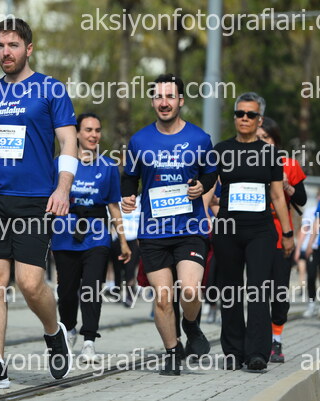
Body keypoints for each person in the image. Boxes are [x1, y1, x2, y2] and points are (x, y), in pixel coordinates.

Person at [0, 18, 78, 389]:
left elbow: (68, 142)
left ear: (29, 48)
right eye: (0, 45)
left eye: (13, 45)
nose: (5, 52)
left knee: (30, 282)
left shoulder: (50, 89)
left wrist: (63, 189)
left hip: (34, 200)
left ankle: (53, 330)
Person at [121, 73, 217, 375]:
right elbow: (129, 177)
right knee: (163, 298)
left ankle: (191, 324)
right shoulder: (139, 140)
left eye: (170, 97)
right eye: (159, 97)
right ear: (153, 101)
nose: (164, 102)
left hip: (190, 229)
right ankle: (173, 351)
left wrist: (201, 186)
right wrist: (128, 196)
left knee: (189, 290)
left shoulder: (200, 139)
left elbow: (210, 172)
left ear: (180, 101)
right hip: (153, 232)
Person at [213, 92, 294, 371]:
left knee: (259, 289)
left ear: (259, 120)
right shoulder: (221, 150)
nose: (244, 118)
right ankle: (233, 351)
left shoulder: (270, 153)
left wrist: (287, 233)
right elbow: (209, 188)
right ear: (235, 117)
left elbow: (278, 196)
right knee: (230, 290)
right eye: (240, 114)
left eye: (250, 114)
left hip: (260, 231)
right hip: (227, 231)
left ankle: (257, 352)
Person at [51, 113, 131, 363]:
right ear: (76, 133)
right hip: (65, 234)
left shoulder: (108, 166)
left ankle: (89, 341)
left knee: (92, 288)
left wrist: (123, 241)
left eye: (97, 130)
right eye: (88, 130)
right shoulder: (59, 164)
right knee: (66, 291)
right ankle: (69, 329)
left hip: (97, 236)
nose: (94, 135)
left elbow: (114, 206)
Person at [256, 116, 307, 363]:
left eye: (265, 138)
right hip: (254, 235)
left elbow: (302, 199)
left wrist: (287, 187)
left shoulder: (289, 164)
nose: (261, 142)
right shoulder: (246, 163)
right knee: (257, 292)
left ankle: (276, 340)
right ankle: (258, 341)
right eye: (257, 138)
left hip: (280, 237)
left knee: (278, 292)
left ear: (275, 140)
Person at [300, 191, 320, 317]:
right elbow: (316, 223)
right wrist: (309, 244)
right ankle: (311, 304)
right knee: (311, 275)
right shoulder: (317, 207)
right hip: (316, 247)